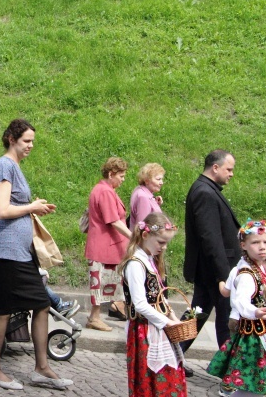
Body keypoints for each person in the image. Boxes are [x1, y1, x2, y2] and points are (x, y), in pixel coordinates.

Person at [0, 119, 73, 391]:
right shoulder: (5, 165)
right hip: (7, 251)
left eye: (33, 141)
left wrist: (34, 207)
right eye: (27, 141)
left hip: (20, 252)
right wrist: (31, 206)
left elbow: (15, 205)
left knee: (41, 304)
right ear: (12, 138)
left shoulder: (14, 166)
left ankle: (41, 368)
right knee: (4, 310)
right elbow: (2, 210)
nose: (31, 146)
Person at [207, 219, 266, 397]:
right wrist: (254, 311)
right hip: (256, 337)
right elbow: (240, 301)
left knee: (257, 383)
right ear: (244, 245)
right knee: (253, 381)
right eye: (255, 242)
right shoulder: (246, 274)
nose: (262, 247)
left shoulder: (261, 267)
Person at [120, 212, 186, 396]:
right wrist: (167, 322)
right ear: (146, 235)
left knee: (169, 375)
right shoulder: (135, 264)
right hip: (144, 329)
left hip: (158, 326)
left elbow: (159, 296)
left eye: (166, 244)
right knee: (151, 378)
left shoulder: (149, 260)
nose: (164, 248)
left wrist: (173, 317)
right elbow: (140, 304)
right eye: (161, 243)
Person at [182, 150, 241, 359]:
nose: (231, 174)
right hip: (215, 270)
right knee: (225, 319)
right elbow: (210, 238)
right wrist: (223, 275)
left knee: (196, 315)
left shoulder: (207, 189)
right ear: (215, 168)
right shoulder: (204, 192)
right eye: (229, 169)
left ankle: (170, 355)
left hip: (210, 269)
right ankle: (228, 370)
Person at [84, 157, 132, 331]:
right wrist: (133, 236)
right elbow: (113, 220)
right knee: (99, 283)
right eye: (121, 175)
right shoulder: (105, 191)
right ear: (111, 174)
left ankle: (101, 315)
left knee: (105, 283)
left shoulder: (105, 189)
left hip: (106, 246)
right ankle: (94, 318)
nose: (123, 179)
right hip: (103, 246)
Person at [129, 163, 165, 231]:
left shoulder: (139, 190)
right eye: (158, 179)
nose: (161, 182)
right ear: (147, 181)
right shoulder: (143, 197)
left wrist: (155, 204)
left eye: (162, 179)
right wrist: (164, 227)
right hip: (146, 240)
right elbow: (142, 227)